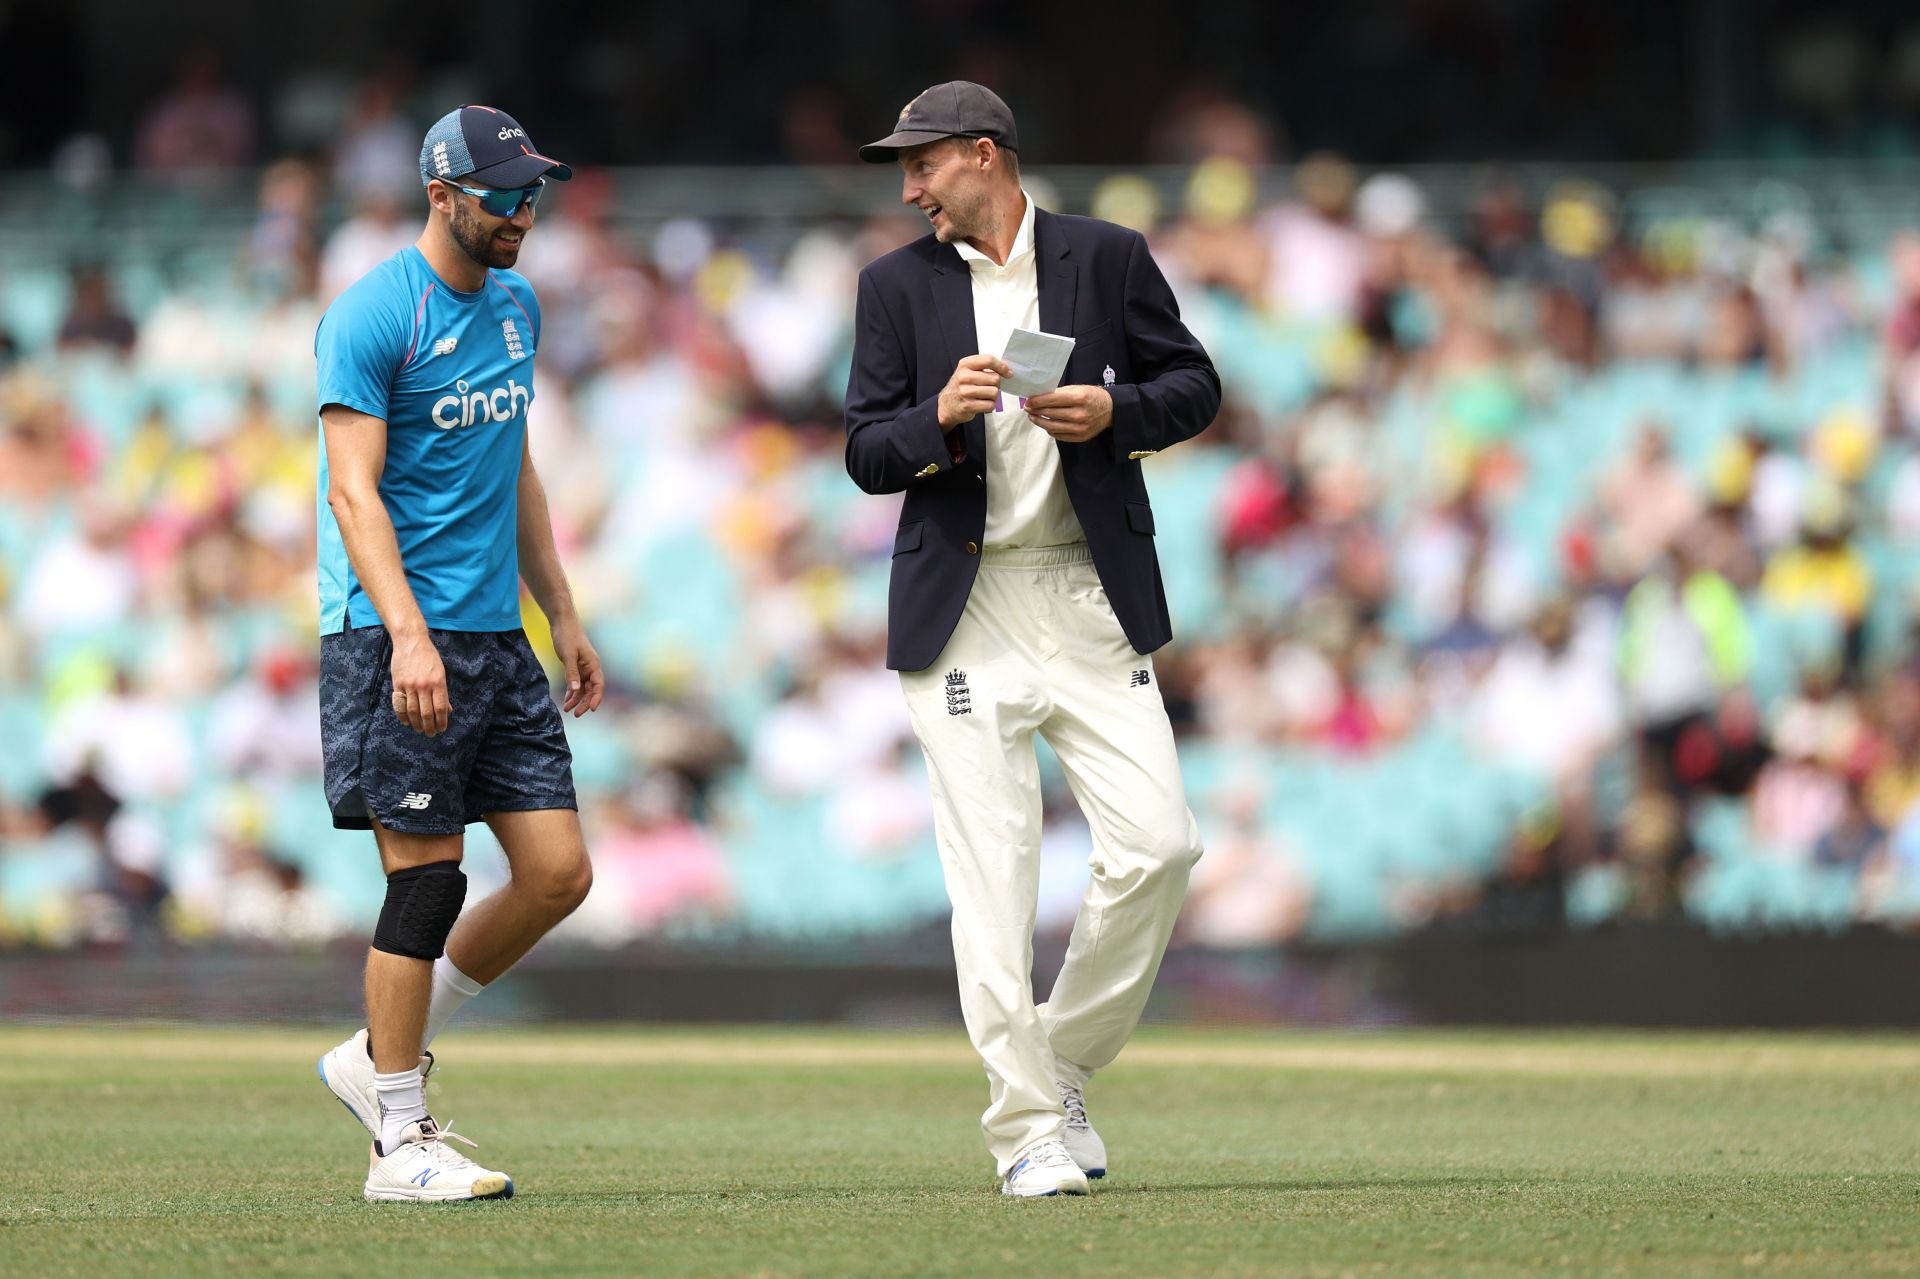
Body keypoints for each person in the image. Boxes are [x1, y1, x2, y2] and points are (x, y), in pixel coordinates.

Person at [846, 82, 1218, 1198]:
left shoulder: (1105, 257)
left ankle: (1058, 1061)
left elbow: (1195, 385)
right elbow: (866, 450)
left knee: (1161, 846)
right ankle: (1026, 1133)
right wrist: (937, 420)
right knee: (995, 883)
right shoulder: (893, 286)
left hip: (1087, 594)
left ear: (984, 155)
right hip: (966, 609)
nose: (910, 190)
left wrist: (1117, 412)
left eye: (923, 167)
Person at [311, 105, 603, 1203]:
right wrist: (408, 636)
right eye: (503, 194)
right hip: (393, 641)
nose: (525, 211)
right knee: (428, 884)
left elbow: (514, 469)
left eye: (533, 192)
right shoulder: (372, 315)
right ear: (442, 195)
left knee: (560, 874)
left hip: (492, 635)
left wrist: (561, 612)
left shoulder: (518, 305)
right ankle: (397, 1138)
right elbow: (351, 490)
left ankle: (374, 1050)